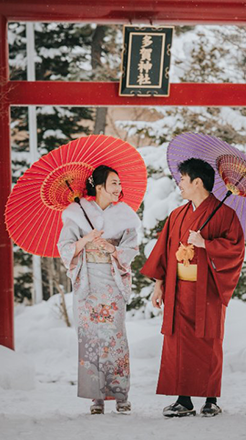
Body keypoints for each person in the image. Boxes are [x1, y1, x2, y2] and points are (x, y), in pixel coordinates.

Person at [141, 158, 245, 418]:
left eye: (183, 180)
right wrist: (158, 285)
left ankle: (211, 399)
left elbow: (235, 251)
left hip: (208, 290)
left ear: (197, 182)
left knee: (209, 341)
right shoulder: (177, 215)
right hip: (178, 289)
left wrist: (205, 244)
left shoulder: (225, 214)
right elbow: (164, 252)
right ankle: (183, 400)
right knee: (179, 344)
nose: (180, 186)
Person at [58, 165, 140, 415]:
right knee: (91, 339)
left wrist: (112, 249)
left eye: (119, 183)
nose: (119, 188)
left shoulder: (125, 215)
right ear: (100, 186)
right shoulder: (77, 213)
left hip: (112, 282)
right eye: (113, 183)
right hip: (88, 283)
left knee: (115, 338)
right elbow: (64, 247)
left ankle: (120, 394)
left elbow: (132, 249)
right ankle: (96, 397)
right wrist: (86, 239)